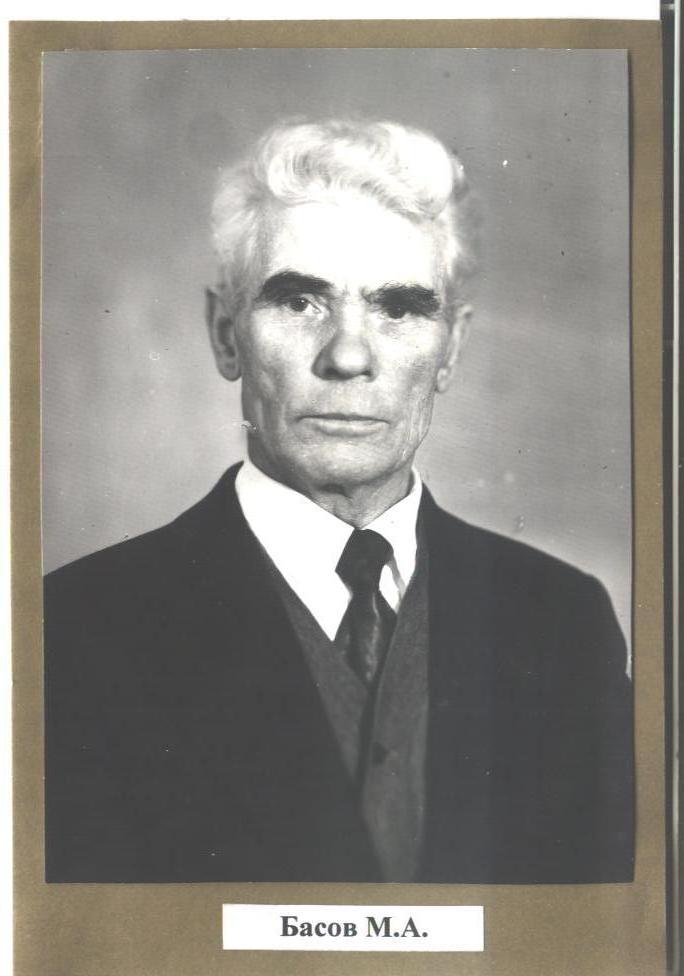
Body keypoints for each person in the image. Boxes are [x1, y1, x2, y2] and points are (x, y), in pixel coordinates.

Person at [44, 119, 634, 885]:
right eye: (300, 301)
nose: (349, 355)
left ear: (450, 349)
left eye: (399, 308)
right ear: (225, 335)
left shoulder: (564, 622)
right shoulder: (70, 632)